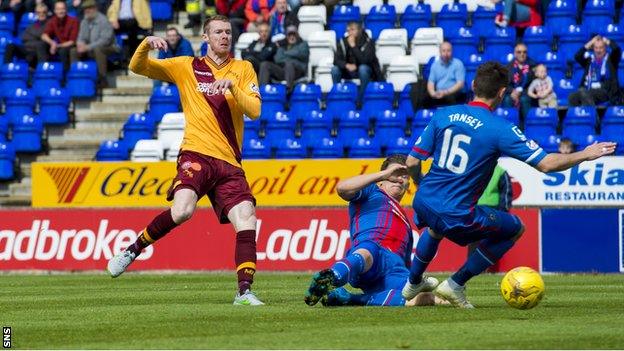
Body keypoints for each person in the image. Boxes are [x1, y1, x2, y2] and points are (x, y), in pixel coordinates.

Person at [402, 61, 616, 308]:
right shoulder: (500, 129)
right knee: (515, 228)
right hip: (457, 213)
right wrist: (585, 154)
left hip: (424, 201)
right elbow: (546, 164)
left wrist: (421, 185)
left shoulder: (442, 115)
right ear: (502, 93)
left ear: (473, 85)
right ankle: (455, 284)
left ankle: (413, 281)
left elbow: (411, 161)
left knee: (435, 228)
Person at [107, 15, 264, 306]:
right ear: (206, 37)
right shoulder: (186, 66)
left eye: (228, 32)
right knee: (182, 211)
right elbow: (137, 66)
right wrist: (145, 44)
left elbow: (254, 110)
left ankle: (244, 291)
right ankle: (133, 249)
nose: (224, 36)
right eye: (218, 32)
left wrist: (232, 87)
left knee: (247, 220)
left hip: (230, 162)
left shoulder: (243, 69)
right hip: (196, 152)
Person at [304, 154, 440, 307]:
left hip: (393, 271)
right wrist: (383, 175)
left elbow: (407, 263)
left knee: (425, 297)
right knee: (370, 249)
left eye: (404, 176)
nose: (398, 179)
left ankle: (353, 299)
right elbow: (342, 188)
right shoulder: (372, 192)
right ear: (381, 182)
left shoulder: (407, 224)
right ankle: (331, 277)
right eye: (394, 174)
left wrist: (411, 281)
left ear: (408, 184)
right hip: (369, 257)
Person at [331, 21, 382, 102]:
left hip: (367, 71)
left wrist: (353, 46)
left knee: (363, 68)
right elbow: (336, 60)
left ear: (359, 30)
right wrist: (346, 65)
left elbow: (365, 60)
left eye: (352, 30)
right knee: (335, 70)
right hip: (348, 70)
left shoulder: (368, 42)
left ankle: (361, 98)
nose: (350, 33)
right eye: (348, 30)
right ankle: (338, 95)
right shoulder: (342, 42)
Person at [72, 0, 118, 89]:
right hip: (90, 48)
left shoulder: (103, 20)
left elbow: (105, 40)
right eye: (85, 9)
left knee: (99, 49)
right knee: (73, 51)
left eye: (89, 9)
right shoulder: (84, 21)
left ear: (94, 9)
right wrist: (80, 44)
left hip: (109, 48)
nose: (87, 11)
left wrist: (87, 47)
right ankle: (77, 75)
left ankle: (102, 78)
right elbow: (81, 36)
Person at [568, 35, 621, 107]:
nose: (598, 50)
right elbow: (577, 56)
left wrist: (606, 41)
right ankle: (577, 117)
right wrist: (591, 42)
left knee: (585, 93)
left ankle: (592, 117)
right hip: (589, 89)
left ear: (605, 48)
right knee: (572, 97)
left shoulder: (611, 60)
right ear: (593, 48)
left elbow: (617, 50)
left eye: (601, 48)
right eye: (596, 48)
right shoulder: (590, 61)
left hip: (605, 91)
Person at [258, 24, 308, 95]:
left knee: (289, 64)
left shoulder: (303, 44)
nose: (292, 37)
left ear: (297, 35)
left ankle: (288, 91)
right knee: (265, 64)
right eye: (289, 35)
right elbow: (278, 59)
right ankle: (261, 91)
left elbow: (302, 55)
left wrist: (286, 54)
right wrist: (293, 55)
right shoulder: (283, 46)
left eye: (294, 34)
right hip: (284, 71)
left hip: (298, 71)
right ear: (286, 36)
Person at [3, 3, 49, 68]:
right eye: (38, 12)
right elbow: (24, 38)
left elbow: (44, 39)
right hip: (27, 49)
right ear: (35, 13)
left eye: (44, 12)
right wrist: (38, 37)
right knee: (10, 46)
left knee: (40, 46)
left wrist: (33, 36)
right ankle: (6, 69)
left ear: (47, 13)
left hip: (38, 51)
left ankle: (43, 71)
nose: (41, 14)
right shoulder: (32, 25)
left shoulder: (50, 25)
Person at [41, 0, 79, 73]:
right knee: (41, 45)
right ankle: (44, 71)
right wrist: (52, 43)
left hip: (70, 46)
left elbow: (72, 42)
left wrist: (57, 46)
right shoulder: (53, 21)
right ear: (55, 11)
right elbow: (44, 35)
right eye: (58, 9)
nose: (60, 11)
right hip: (58, 45)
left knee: (63, 51)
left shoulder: (73, 21)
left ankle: (64, 76)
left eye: (62, 9)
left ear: (66, 10)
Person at [424, 41, 466, 108]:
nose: (446, 53)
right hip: (439, 93)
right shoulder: (435, 65)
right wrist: (433, 94)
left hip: (453, 93)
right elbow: (430, 83)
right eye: (443, 51)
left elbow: (460, 84)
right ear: (440, 52)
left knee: (451, 98)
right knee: (425, 98)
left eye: (448, 51)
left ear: (452, 51)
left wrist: (446, 92)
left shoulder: (458, 64)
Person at [502, 43, 535, 119]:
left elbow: (534, 85)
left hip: (527, 93)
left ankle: (527, 126)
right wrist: (512, 91)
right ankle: (509, 126)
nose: (522, 54)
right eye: (519, 52)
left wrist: (521, 92)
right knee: (507, 99)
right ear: (515, 53)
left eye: (524, 52)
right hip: (511, 93)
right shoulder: (508, 67)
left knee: (524, 99)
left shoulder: (533, 67)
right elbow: (504, 84)